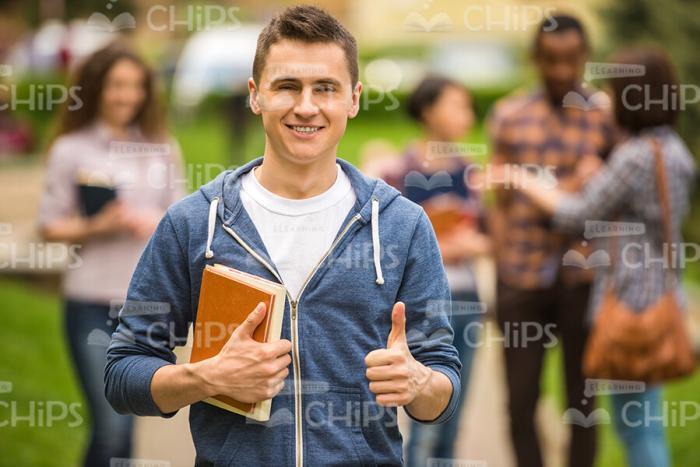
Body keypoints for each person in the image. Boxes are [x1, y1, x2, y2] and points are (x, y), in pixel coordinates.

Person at [104, 6, 461, 466]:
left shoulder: (402, 225)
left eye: (325, 88)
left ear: (353, 99)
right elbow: (122, 373)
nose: (306, 106)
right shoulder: (195, 223)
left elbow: (442, 387)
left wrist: (419, 383)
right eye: (287, 86)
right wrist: (206, 378)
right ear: (256, 96)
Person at [506, 47, 695, 467]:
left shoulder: (635, 156)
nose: (604, 100)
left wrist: (527, 181)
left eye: (613, 90)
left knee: (637, 425)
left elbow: (575, 214)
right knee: (643, 419)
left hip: (632, 303)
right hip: (660, 294)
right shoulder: (670, 149)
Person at [37, 41, 186, 466]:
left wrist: (153, 218)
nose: (128, 96)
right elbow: (51, 225)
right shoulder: (71, 150)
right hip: (90, 302)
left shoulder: (162, 147)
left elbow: (182, 216)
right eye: (118, 85)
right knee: (111, 427)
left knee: (129, 422)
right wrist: (97, 226)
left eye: (136, 86)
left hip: (146, 306)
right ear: (96, 88)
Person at [487, 14, 616, 467]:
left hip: (583, 279)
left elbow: (616, 198)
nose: (561, 71)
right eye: (551, 60)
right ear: (535, 59)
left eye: (571, 60)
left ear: (584, 57)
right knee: (519, 402)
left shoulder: (605, 115)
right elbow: (497, 200)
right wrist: (502, 266)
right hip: (521, 276)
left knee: (582, 404)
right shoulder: (508, 115)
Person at [378, 75, 490, 465]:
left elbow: (486, 233)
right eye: (457, 105)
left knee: (454, 410)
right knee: (425, 418)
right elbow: (389, 247)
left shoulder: (468, 171)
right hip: (421, 306)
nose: (467, 115)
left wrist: (473, 244)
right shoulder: (397, 173)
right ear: (428, 111)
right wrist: (440, 246)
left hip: (468, 299)